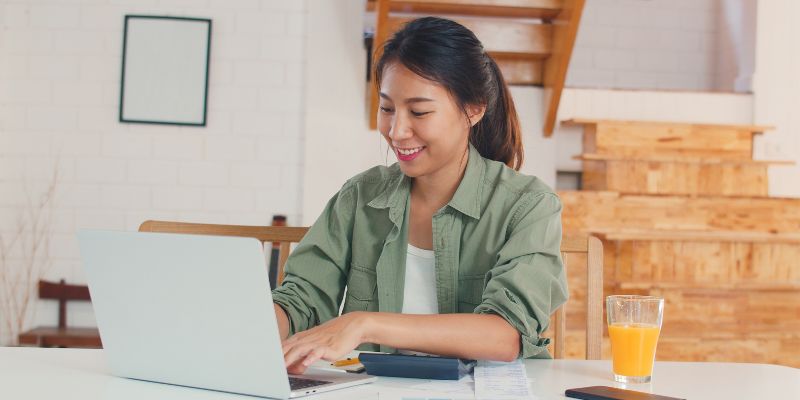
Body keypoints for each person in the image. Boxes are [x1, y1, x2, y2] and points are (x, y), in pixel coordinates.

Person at [272, 17, 568, 374]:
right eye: (386, 108)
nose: (397, 131)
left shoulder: (528, 204)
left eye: (419, 111)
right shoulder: (360, 197)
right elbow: (300, 299)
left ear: (473, 109)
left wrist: (364, 323)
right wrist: (248, 330)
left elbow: (506, 335)